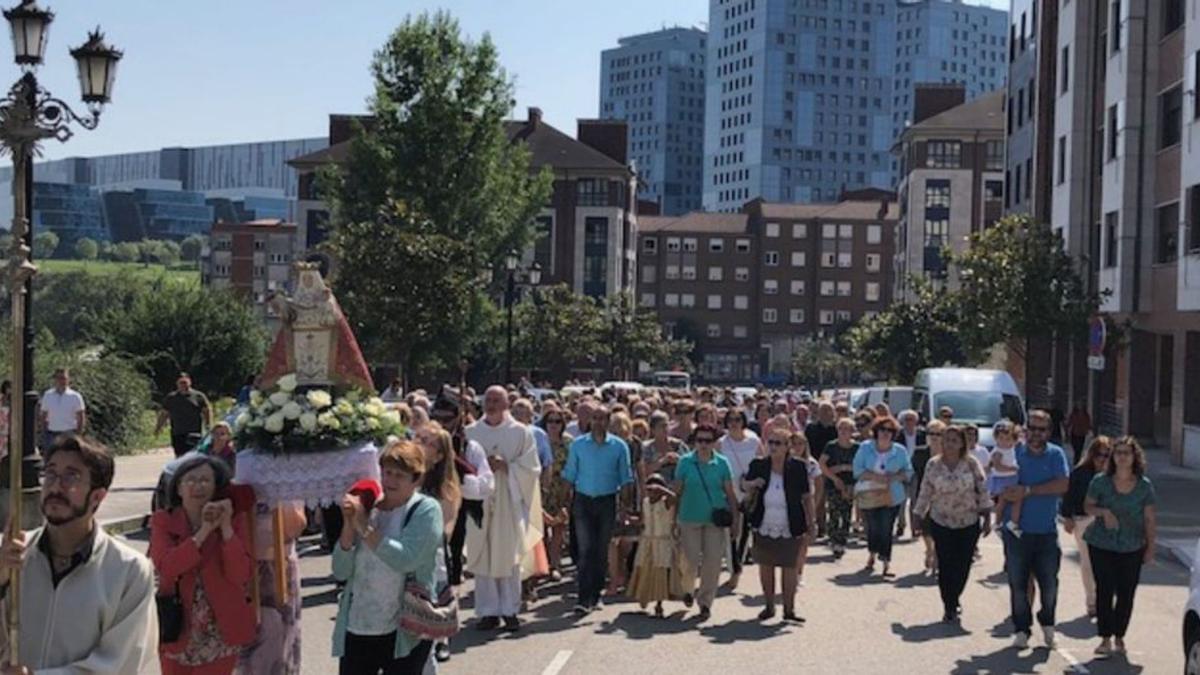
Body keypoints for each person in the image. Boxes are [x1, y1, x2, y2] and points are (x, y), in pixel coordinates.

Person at [0, 435, 157, 673]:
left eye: (71, 476)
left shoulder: (129, 571)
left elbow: (121, 663)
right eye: (50, 474)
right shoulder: (12, 554)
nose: (55, 486)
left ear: (97, 496)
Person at [332, 440, 443, 674]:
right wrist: (348, 527)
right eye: (387, 472)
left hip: (404, 627)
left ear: (416, 479)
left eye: (400, 475)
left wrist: (364, 528)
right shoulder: (368, 507)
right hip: (359, 624)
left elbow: (406, 559)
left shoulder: (426, 510)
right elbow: (341, 571)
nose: (390, 480)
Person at [150, 455, 255, 675]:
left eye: (206, 480)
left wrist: (225, 529)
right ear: (178, 488)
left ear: (216, 487)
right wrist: (203, 532)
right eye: (191, 480)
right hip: (176, 625)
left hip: (220, 630)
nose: (198, 486)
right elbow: (167, 567)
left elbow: (240, 574)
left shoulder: (234, 520)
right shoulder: (163, 521)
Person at [464, 387, 542, 631]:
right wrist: (480, 468)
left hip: (509, 500)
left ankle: (509, 609)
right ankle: (488, 611)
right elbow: (461, 464)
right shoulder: (471, 432)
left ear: (507, 403)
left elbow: (532, 468)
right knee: (483, 553)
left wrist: (507, 467)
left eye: (497, 400)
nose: (492, 404)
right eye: (488, 400)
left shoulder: (520, 432)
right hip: (479, 500)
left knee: (508, 556)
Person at [1001, 409, 1070, 650]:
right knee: (1018, 584)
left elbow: (1062, 484)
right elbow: (998, 478)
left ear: (1049, 432)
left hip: (1046, 532)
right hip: (1016, 531)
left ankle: (1048, 622)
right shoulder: (1014, 452)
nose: (1036, 434)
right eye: (1032, 428)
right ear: (1025, 429)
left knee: (1049, 584)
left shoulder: (1056, 454)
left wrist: (1029, 491)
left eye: (1041, 429)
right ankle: (1021, 628)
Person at [1083, 436, 1156, 657]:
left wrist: (1150, 547)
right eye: (1118, 453)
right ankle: (1105, 638)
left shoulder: (1144, 486)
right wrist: (1103, 512)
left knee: (1126, 592)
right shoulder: (1100, 481)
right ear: (1113, 457)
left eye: (1127, 453)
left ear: (1135, 457)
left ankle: (1119, 636)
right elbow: (1088, 506)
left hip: (1132, 545)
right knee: (1105, 590)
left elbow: (1150, 519)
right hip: (1101, 544)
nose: (1122, 457)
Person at [913, 425, 992, 623]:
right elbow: (925, 490)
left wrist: (987, 517)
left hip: (968, 521)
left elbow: (982, 489)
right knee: (946, 565)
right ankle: (949, 604)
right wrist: (917, 515)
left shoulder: (971, 464)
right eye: (946, 440)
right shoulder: (933, 465)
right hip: (941, 520)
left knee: (963, 564)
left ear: (962, 444)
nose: (949, 444)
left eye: (954, 440)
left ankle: (955, 595)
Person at [563, 405, 633, 614]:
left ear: (609, 421)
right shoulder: (578, 445)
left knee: (601, 550)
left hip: (607, 501)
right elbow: (569, 474)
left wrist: (625, 508)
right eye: (595, 418)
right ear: (590, 421)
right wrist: (563, 503)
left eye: (603, 418)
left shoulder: (619, 446)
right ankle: (584, 598)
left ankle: (596, 593)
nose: (599, 422)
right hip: (583, 501)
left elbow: (626, 478)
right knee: (585, 550)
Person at [742, 427, 814, 623]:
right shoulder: (759, 464)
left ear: (787, 446)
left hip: (790, 523)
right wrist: (752, 483)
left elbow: (807, 497)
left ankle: (789, 610)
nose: (773, 447)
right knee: (766, 565)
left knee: (790, 566)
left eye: (778, 443)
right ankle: (769, 606)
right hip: (764, 522)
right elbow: (744, 485)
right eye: (770, 442)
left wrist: (811, 523)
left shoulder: (798, 467)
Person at [673, 423, 739, 622]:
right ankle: (687, 588)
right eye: (699, 440)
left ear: (714, 442)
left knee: (712, 563)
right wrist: (672, 520)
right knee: (691, 560)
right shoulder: (684, 462)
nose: (702, 444)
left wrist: (735, 519)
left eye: (707, 441)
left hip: (714, 520)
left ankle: (705, 602)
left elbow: (730, 493)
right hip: (689, 517)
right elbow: (677, 493)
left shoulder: (722, 463)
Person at [430, 391, 494, 590]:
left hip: (455, 508)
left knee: (452, 556)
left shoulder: (469, 446)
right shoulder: (419, 443)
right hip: (426, 508)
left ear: (457, 419)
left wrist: (460, 472)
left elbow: (485, 484)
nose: (441, 424)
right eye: (436, 419)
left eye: (447, 420)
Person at [234, 498, 306, 675]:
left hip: (280, 567)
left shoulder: (285, 476)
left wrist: (279, 495)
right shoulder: (231, 476)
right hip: (239, 568)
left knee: (282, 648)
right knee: (247, 652)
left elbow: (295, 528)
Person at [415, 423, 462, 665]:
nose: (419, 443)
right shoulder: (407, 478)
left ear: (440, 455)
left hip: (431, 557)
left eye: (427, 442)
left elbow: (446, 529)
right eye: (418, 437)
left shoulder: (446, 487)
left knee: (431, 615)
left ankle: (441, 640)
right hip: (407, 556)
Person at [851, 416, 913, 578]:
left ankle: (886, 562)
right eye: (882, 430)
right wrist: (874, 476)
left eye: (889, 431)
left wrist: (894, 478)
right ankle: (872, 554)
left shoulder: (900, 450)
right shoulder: (865, 448)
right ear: (876, 431)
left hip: (892, 495)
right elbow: (857, 470)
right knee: (873, 527)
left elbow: (908, 472)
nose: (885, 433)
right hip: (869, 494)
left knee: (886, 527)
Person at [1060, 435, 1111, 618]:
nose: (1102, 459)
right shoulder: (1080, 473)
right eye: (1099, 454)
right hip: (1084, 520)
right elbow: (1069, 494)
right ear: (1092, 454)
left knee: (1108, 563)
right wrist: (1067, 517)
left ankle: (1104, 599)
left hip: (1108, 521)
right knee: (1088, 562)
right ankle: (1092, 601)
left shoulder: (1114, 475)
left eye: (1106, 455)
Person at [717, 408, 761, 590]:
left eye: (737, 419)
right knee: (730, 534)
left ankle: (737, 571)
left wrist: (753, 484)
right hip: (728, 492)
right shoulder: (721, 443)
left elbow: (761, 462)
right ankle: (732, 567)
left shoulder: (753, 440)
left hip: (749, 493)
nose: (734, 423)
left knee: (744, 534)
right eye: (730, 420)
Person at [627, 474, 681, 618]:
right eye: (650, 489)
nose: (652, 492)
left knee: (660, 573)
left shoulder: (666, 502)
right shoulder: (645, 502)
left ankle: (659, 603)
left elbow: (675, 498)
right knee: (645, 570)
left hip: (663, 542)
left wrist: (663, 490)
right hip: (647, 541)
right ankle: (644, 596)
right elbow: (642, 521)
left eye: (655, 489)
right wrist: (631, 520)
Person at [539, 410, 573, 579]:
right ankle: (542, 564)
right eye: (550, 421)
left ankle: (555, 564)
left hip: (562, 488)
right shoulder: (538, 440)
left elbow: (573, 466)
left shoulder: (568, 442)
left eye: (558, 421)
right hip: (541, 489)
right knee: (541, 529)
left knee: (559, 528)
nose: (553, 425)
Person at [819, 418, 858, 559]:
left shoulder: (856, 447)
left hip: (850, 484)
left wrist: (846, 468)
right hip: (834, 483)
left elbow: (862, 465)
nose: (843, 432)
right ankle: (834, 540)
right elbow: (822, 464)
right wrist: (834, 477)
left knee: (846, 513)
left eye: (847, 429)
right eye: (841, 429)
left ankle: (842, 541)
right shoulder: (831, 446)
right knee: (834, 512)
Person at [787, 432, 821, 585]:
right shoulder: (785, 462)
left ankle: (799, 572)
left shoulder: (811, 463)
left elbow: (819, 484)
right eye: (794, 444)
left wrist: (816, 502)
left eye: (801, 444)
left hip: (807, 502)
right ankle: (790, 570)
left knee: (804, 542)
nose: (797, 447)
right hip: (790, 503)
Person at [913, 420, 946, 574]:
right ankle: (929, 550)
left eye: (938, 434)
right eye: (931, 433)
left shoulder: (949, 453)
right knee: (926, 528)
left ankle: (938, 556)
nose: (934, 437)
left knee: (940, 528)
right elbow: (913, 472)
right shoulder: (920, 453)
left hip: (944, 496)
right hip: (924, 495)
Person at [156, 374, 213, 459]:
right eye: (181, 383)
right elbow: (164, 413)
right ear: (177, 384)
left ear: (190, 382)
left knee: (193, 455)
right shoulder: (171, 398)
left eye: (185, 382)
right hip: (178, 432)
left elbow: (207, 410)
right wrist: (159, 427)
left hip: (194, 432)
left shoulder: (198, 396)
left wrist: (208, 424)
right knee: (179, 456)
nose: (183, 385)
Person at [804, 402, 838, 538]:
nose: (826, 414)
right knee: (819, 498)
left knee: (834, 500)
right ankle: (821, 526)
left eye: (829, 411)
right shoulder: (811, 428)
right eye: (823, 411)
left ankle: (833, 527)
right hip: (817, 468)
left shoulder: (837, 429)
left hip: (835, 469)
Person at [988, 421, 1023, 537]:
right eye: (1001, 438)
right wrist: (1013, 468)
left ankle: (1011, 522)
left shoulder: (1011, 447)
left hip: (1011, 479)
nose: (1004, 441)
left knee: (1015, 501)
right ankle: (999, 523)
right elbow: (998, 466)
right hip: (1002, 480)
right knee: (1005, 502)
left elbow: (1020, 439)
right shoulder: (998, 451)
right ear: (996, 438)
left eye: (1007, 439)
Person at [38, 367, 86, 451]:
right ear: (55, 379)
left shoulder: (75, 396)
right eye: (59, 378)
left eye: (64, 378)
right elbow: (43, 415)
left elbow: (81, 417)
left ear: (68, 379)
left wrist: (78, 435)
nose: (62, 381)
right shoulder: (48, 395)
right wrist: (44, 432)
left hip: (69, 434)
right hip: (52, 434)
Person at [897, 410, 926, 539]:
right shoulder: (898, 435)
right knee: (901, 500)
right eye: (906, 419)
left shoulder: (922, 434)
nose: (909, 422)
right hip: (901, 470)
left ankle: (915, 527)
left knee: (915, 500)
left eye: (911, 419)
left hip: (916, 470)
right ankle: (901, 524)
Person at [641, 411, 685, 484]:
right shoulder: (646, 448)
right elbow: (643, 471)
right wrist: (663, 461)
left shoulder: (678, 445)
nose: (665, 429)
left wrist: (678, 461)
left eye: (666, 425)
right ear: (653, 430)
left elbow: (690, 466)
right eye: (661, 426)